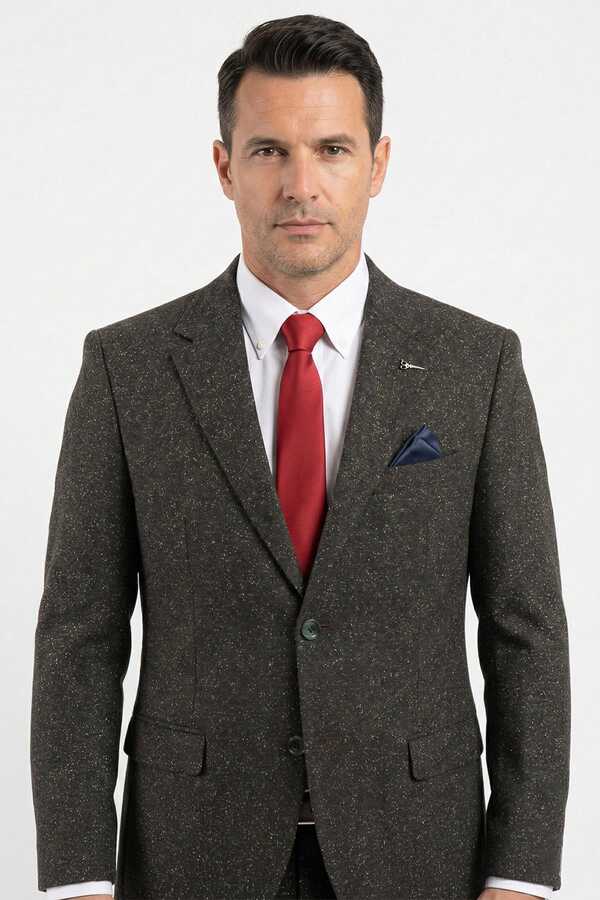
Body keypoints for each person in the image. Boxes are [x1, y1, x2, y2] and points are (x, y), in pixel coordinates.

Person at [31, 14, 570, 900]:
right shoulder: (129, 368)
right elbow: (79, 636)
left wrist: (523, 873)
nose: (301, 185)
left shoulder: (476, 365)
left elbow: (527, 630)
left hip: (420, 849)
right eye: (269, 152)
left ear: (378, 164)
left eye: (331, 149)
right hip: (193, 852)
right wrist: (77, 879)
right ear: (224, 167)